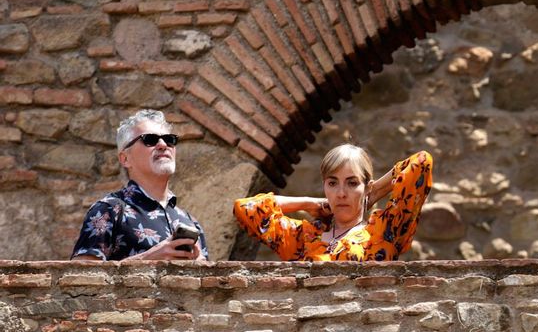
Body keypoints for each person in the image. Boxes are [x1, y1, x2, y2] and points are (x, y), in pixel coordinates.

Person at [233, 145, 432, 261]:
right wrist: (309, 203)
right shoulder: (304, 239)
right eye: (333, 183)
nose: (341, 193)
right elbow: (246, 208)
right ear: (324, 186)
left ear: (366, 187)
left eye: (352, 183)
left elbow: (420, 163)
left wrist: (374, 193)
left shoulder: (384, 231)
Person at [72, 110, 208, 261]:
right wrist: (149, 259)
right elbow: (79, 276)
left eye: (169, 140)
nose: (163, 145)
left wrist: (201, 266)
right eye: (150, 139)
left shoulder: (190, 222)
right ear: (125, 159)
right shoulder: (108, 210)